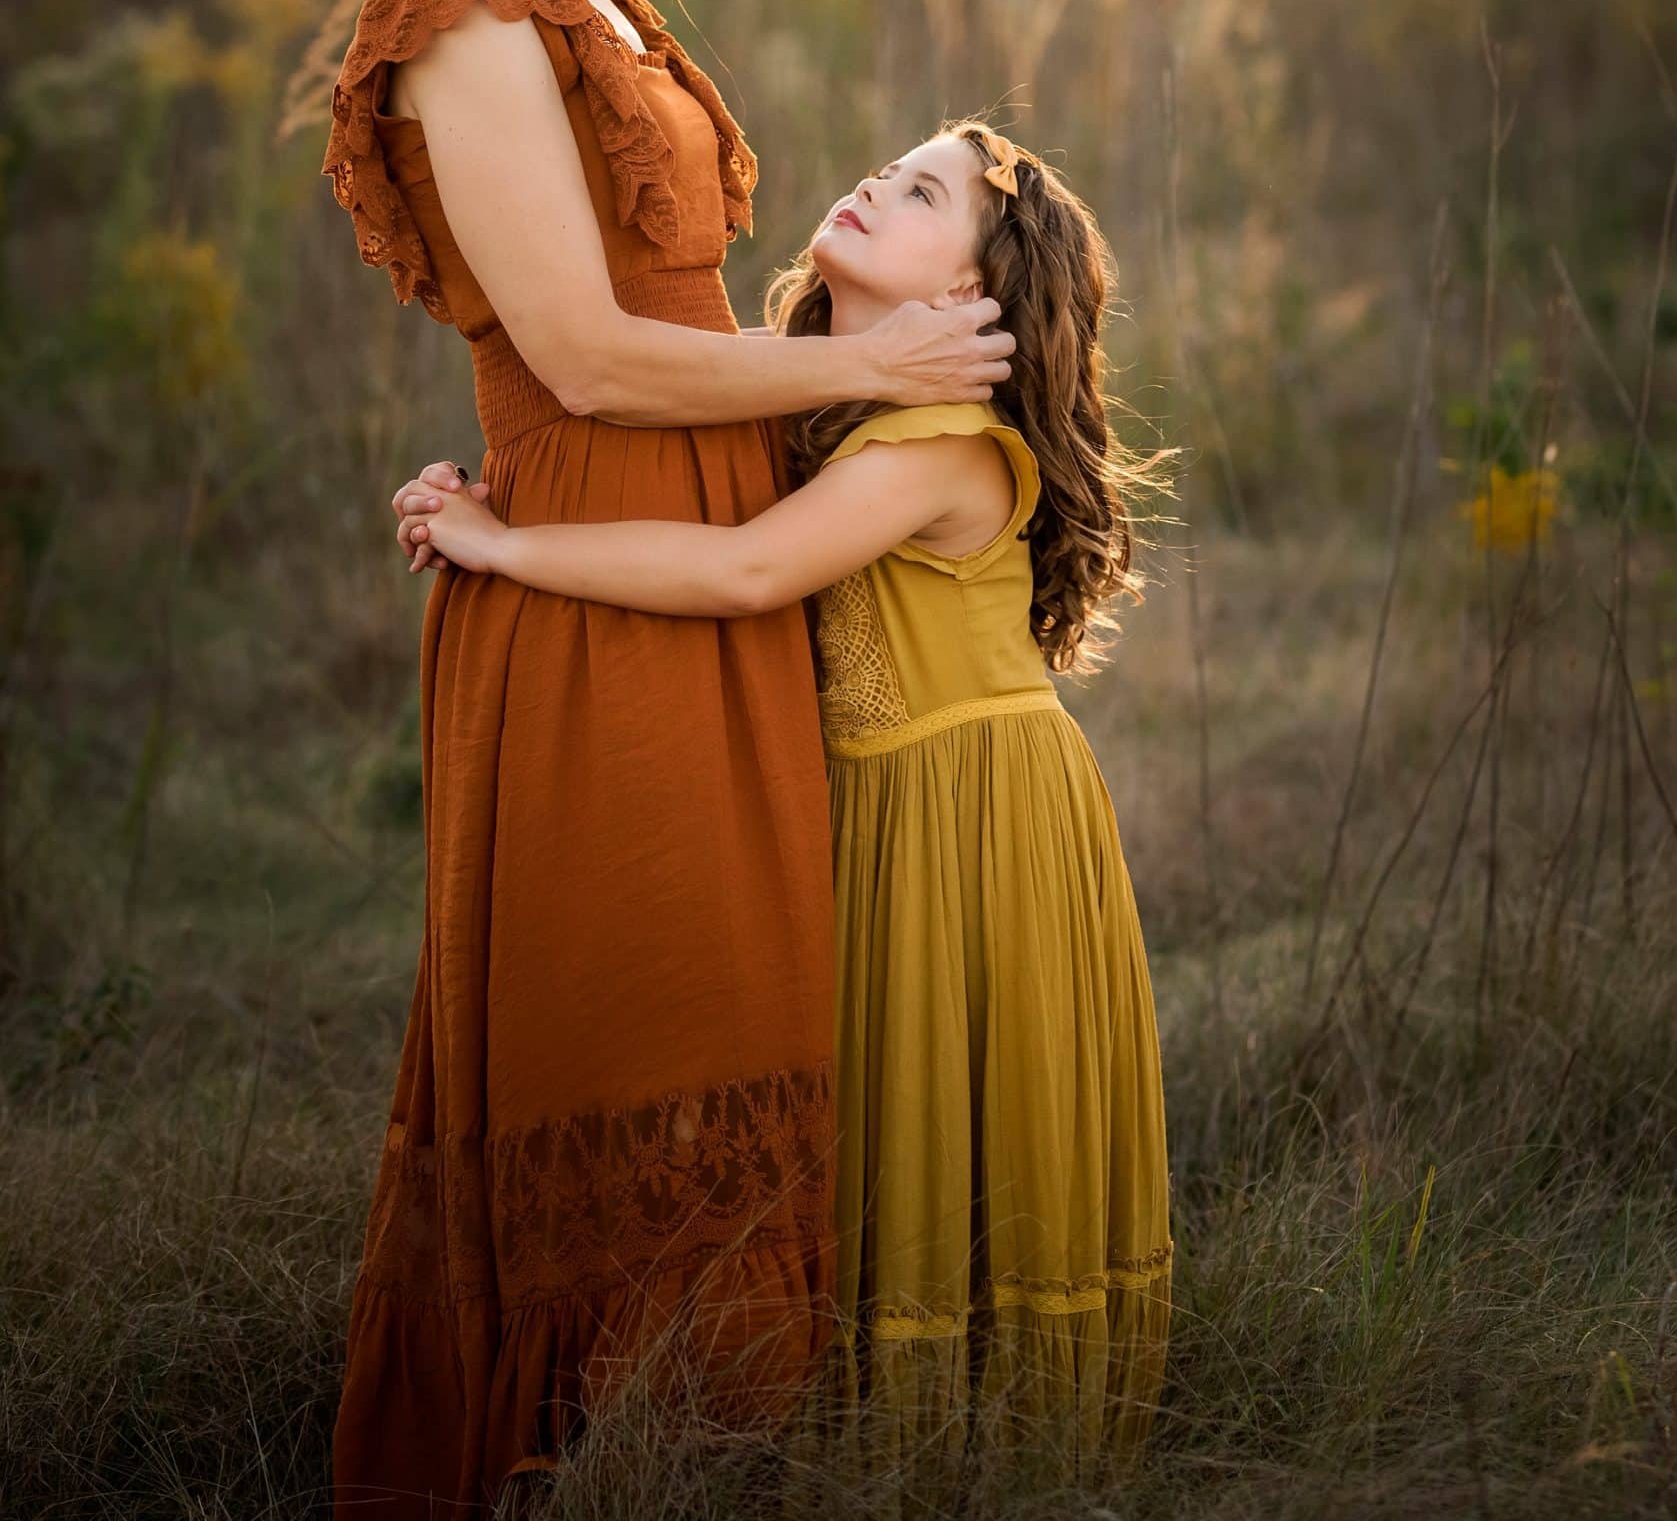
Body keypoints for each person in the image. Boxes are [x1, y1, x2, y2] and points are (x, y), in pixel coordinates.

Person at [320, 0, 1015, 1517]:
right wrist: (865, 387)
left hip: (707, 556)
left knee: (744, 1017)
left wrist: (885, 369)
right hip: (600, 576)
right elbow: (590, 358)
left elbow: (686, 319)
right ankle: (569, 1463)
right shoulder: (461, 11)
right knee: (627, 1029)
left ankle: (712, 1459)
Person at [391, 119, 1173, 1488]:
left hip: (974, 815)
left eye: (921, 190)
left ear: (968, 302)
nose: (874, 183)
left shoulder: (938, 442)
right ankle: (864, 1426)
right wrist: (486, 486)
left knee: (956, 1103)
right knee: (879, 1104)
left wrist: (508, 548)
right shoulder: (819, 398)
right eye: (887, 165)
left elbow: (746, 571)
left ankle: (988, 1453)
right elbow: (628, 408)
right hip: (869, 816)